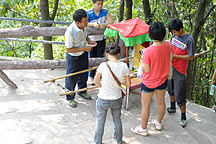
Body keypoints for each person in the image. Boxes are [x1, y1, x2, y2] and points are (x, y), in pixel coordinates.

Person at [130, 22, 172, 136]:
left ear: (150, 35)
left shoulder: (148, 51)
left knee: (145, 106)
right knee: (161, 103)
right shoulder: (168, 45)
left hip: (149, 82)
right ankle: (158, 122)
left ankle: (143, 128)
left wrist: (142, 60)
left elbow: (147, 70)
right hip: (162, 80)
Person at [93, 44, 131, 144]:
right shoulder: (124, 66)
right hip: (116, 98)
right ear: (119, 54)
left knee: (100, 122)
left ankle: (97, 142)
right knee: (117, 120)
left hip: (103, 98)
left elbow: (95, 81)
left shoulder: (103, 65)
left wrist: (101, 86)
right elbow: (128, 84)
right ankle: (118, 141)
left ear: (107, 54)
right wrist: (120, 82)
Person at [64, 9, 97, 108]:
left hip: (83, 54)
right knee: (71, 77)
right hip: (73, 57)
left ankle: (82, 91)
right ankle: (70, 97)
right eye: (85, 21)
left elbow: (85, 35)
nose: (87, 23)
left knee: (83, 73)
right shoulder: (70, 32)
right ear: (78, 22)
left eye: (87, 20)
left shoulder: (83, 26)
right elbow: (69, 49)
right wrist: (85, 48)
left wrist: (90, 41)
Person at [167, 18, 195, 127]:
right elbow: (170, 45)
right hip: (170, 66)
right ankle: (172, 107)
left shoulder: (189, 39)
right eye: (172, 32)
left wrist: (175, 56)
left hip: (180, 70)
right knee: (170, 88)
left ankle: (183, 116)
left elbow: (191, 56)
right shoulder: (174, 36)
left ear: (181, 29)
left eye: (175, 32)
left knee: (179, 94)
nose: (173, 34)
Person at [86, 0, 113, 84]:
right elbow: (85, 23)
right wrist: (93, 25)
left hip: (101, 38)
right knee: (91, 57)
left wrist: (104, 25)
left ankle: (99, 75)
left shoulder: (105, 12)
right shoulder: (89, 13)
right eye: (98, 4)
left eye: (101, 4)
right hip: (91, 39)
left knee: (100, 57)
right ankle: (91, 75)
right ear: (93, 4)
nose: (100, 6)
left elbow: (111, 21)